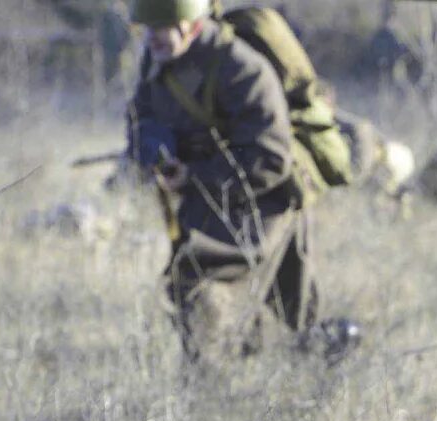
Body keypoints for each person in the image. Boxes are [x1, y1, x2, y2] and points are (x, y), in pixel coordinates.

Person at [124, 0, 358, 361]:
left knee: (287, 315)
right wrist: (156, 154)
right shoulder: (157, 62)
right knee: (203, 290)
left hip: (267, 199)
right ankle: (217, 384)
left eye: (160, 28)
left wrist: (196, 175)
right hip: (206, 197)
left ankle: (326, 360)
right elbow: (141, 121)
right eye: (146, 30)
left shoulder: (241, 69)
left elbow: (271, 158)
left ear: (191, 25)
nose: (151, 39)